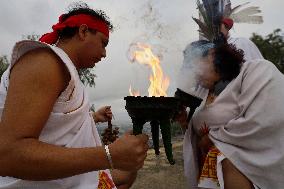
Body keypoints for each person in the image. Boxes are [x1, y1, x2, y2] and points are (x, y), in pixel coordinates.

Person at [0, 4, 149, 189]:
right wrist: (110, 155)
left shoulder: (64, 70)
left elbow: (53, 124)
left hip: (70, 180)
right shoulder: (45, 62)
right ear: (83, 31)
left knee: (127, 174)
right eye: (103, 43)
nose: (104, 53)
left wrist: (93, 118)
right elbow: (8, 155)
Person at [178, 40, 284, 189]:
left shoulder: (256, 70)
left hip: (247, 169)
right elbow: (196, 132)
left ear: (212, 55)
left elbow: (268, 118)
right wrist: (185, 123)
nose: (193, 75)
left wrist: (212, 139)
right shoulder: (202, 92)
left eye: (193, 66)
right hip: (211, 172)